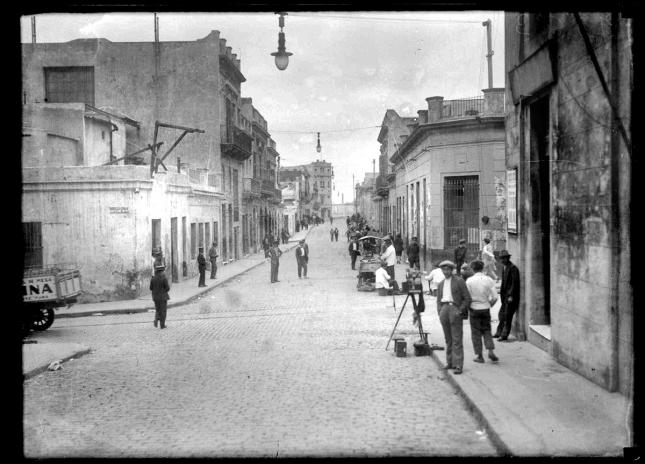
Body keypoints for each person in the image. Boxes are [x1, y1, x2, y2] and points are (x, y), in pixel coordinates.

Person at [436, 260, 471, 375]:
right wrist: (440, 311)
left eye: (448, 269)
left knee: (456, 338)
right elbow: (438, 300)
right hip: (444, 309)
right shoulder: (441, 284)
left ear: (452, 270)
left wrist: (460, 310)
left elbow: (467, 298)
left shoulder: (459, 281)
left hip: (454, 308)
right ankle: (449, 362)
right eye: (443, 269)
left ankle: (458, 364)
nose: (445, 271)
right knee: (448, 339)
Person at [466, 260, 499, 363]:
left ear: (472, 269)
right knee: (486, 330)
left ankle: (480, 356)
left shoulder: (469, 281)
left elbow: (467, 297)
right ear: (483, 268)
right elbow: (495, 297)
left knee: (476, 333)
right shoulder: (489, 280)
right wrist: (489, 305)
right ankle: (490, 350)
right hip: (485, 308)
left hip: (474, 308)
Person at [494, 250, 520, 341]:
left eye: (504, 258)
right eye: (501, 258)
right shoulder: (504, 268)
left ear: (508, 258)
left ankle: (504, 335)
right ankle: (498, 332)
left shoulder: (513, 268)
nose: (502, 260)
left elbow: (514, 283)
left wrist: (510, 296)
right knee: (501, 315)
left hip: (510, 297)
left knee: (507, 317)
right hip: (505, 297)